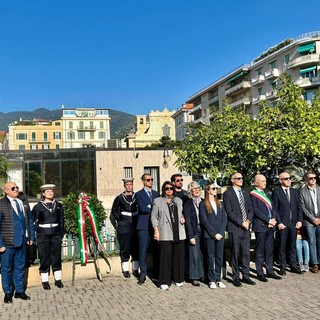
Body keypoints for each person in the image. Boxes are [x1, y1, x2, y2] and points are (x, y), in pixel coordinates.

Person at [0, 181, 35, 303]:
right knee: (7, 269)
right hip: (7, 244)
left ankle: (19, 291)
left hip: (22, 242)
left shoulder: (22, 203)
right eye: (13, 188)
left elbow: (29, 220)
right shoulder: (1, 204)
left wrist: (31, 237)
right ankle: (8, 293)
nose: (16, 190)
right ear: (6, 191)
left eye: (17, 187)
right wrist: (0, 244)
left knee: (20, 267)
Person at [151, 181, 186, 290]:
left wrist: (182, 216)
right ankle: (164, 281)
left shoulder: (178, 201)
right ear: (163, 189)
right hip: (165, 232)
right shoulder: (158, 201)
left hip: (178, 231)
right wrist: (156, 231)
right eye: (167, 188)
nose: (169, 190)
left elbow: (180, 213)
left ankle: (178, 279)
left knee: (178, 257)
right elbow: (153, 217)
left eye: (171, 188)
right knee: (165, 258)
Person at [223, 172, 256, 287]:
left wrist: (248, 221)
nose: (241, 180)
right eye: (238, 178)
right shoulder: (228, 194)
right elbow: (229, 211)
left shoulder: (245, 193)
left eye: (242, 178)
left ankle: (246, 275)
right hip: (235, 228)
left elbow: (250, 209)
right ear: (232, 180)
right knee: (235, 253)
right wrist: (241, 222)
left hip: (246, 228)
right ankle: (236, 276)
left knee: (246, 253)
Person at [32, 184, 64, 290]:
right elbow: (33, 220)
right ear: (43, 193)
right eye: (47, 191)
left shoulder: (58, 205)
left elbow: (61, 220)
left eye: (51, 191)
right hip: (43, 234)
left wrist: (60, 233)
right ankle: (45, 280)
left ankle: (58, 279)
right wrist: (37, 233)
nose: (50, 193)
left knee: (56, 256)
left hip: (56, 233)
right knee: (44, 256)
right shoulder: (38, 206)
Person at [250, 174, 282, 282]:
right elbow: (255, 210)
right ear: (256, 182)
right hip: (260, 226)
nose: (265, 182)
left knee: (269, 250)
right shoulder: (253, 194)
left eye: (265, 180)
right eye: (262, 181)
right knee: (260, 250)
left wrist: (273, 220)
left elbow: (273, 209)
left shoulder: (267, 194)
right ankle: (259, 272)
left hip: (270, 226)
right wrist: (268, 220)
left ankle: (270, 270)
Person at [272, 172, 303, 275]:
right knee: (281, 245)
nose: (289, 180)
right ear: (280, 180)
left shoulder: (295, 192)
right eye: (286, 179)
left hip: (293, 223)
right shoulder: (276, 192)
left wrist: (299, 220)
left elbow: (299, 208)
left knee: (292, 245)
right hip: (283, 223)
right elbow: (275, 209)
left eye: (290, 178)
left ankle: (293, 265)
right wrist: (279, 222)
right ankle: (282, 266)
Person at [199, 182, 227, 289]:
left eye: (216, 188)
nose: (215, 190)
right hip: (209, 235)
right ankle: (211, 280)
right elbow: (204, 220)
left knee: (219, 257)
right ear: (208, 190)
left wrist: (220, 232)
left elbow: (224, 219)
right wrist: (213, 233)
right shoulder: (203, 204)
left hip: (220, 235)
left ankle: (218, 279)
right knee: (210, 258)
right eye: (213, 188)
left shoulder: (220, 203)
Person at [110, 178, 139, 278]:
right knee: (125, 247)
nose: (129, 186)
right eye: (127, 185)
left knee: (135, 247)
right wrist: (120, 220)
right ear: (124, 186)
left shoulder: (137, 196)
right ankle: (125, 269)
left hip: (135, 223)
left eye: (131, 184)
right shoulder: (120, 198)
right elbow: (114, 211)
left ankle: (135, 269)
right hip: (124, 224)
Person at [135, 173, 160, 284]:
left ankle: (156, 273)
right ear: (143, 181)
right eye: (148, 180)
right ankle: (143, 274)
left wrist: (150, 207)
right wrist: (153, 208)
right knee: (143, 251)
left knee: (156, 251)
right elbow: (142, 208)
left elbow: (158, 208)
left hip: (155, 227)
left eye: (151, 179)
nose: (150, 181)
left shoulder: (156, 194)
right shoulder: (139, 194)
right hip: (143, 226)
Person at [184, 181, 204, 286]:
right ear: (190, 191)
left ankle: (202, 274)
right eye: (194, 189)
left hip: (205, 231)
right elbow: (187, 220)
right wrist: (190, 235)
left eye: (198, 189)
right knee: (194, 254)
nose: (196, 191)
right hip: (194, 230)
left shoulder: (204, 202)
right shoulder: (188, 204)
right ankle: (194, 277)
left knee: (202, 254)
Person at [300, 170, 320, 273]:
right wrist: (313, 219)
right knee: (312, 242)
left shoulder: (319, 189)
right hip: (309, 222)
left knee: (319, 241)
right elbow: (303, 208)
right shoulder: (302, 191)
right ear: (307, 179)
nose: (313, 180)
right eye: (310, 178)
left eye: (314, 178)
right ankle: (315, 263)